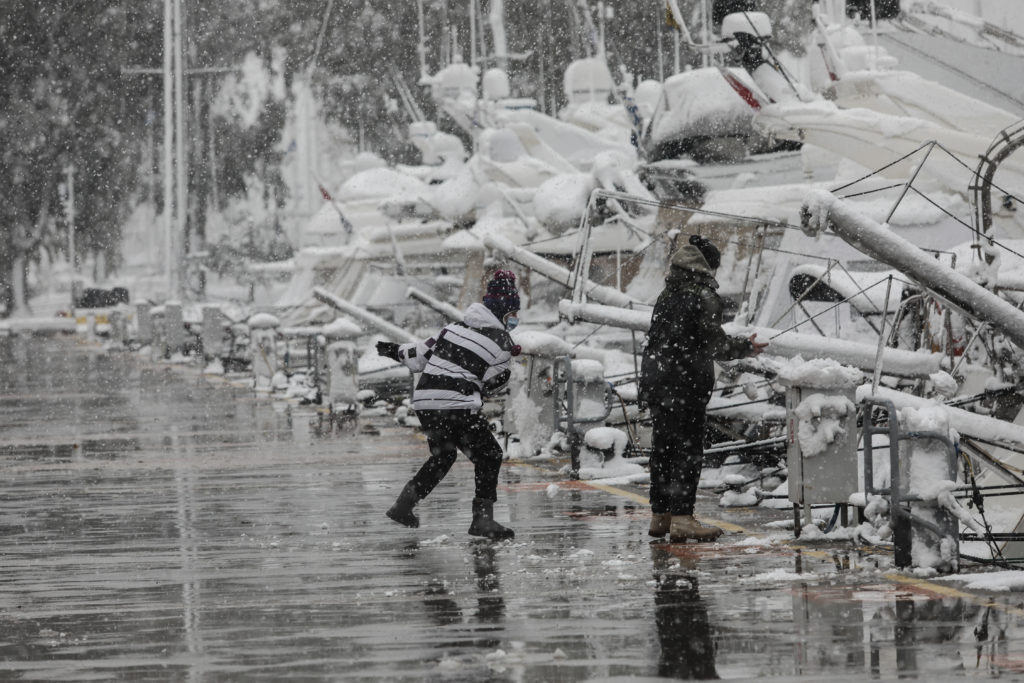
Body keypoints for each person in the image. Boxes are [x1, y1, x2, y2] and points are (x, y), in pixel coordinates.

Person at [639, 234, 767, 543]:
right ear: (707, 267)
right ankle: (683, 518)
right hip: (685, 384)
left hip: (658, 380)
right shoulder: (704, 295)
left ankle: (662, 516)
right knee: (688, 450)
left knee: (663, 449)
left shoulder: (667, 292)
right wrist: (745, 347)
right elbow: (716, 344)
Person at [377, 270, 522, 540]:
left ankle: (403, 505)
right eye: (513, 314)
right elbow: (492, 383)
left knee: (444, 455)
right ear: (503, 313)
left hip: (426, 402)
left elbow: (419, 355)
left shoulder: (453, 329)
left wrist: (392, 350)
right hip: (456, 404)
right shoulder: (502, 343)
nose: (515, 319)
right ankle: (483, 519)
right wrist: (506, 368)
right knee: (489, 455)